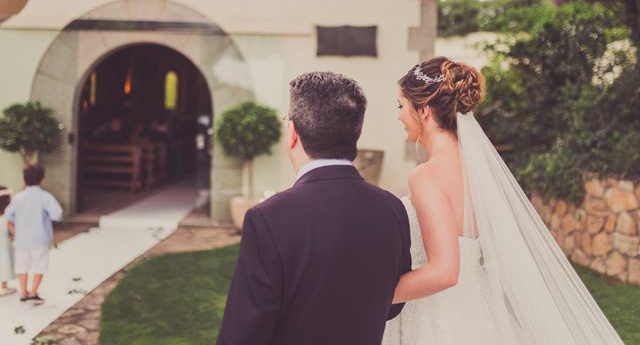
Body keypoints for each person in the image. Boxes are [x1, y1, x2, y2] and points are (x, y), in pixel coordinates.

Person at [383, 57, 623, 344]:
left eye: (401, 106)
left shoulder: (426, 176)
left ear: (423, 111)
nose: (398, 116)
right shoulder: (476, 169)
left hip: (437, 318)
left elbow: (445, 271)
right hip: (478, 310)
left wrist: (378, 294)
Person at [217, 72, 411, 345]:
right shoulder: (392, 209)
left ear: (293, 133)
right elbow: (392, 305)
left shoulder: (268, 218)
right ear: (355, 132)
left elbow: (244, 332)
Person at [5, 165, 63, 305]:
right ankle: (33, 293)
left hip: (21, 240)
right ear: (42, 180)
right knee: (39, 265)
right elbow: (57, 214)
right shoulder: (45, 197)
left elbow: (9, 214)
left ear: (24, 180)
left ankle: (23, 293)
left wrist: (14, 231)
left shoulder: (18, 198)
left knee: (22, 266)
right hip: (40, 238)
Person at [0, 186, 16, 296]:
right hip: (4, 244)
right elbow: (12, 231)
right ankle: (3, 287)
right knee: (4, 263)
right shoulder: (7, 217)